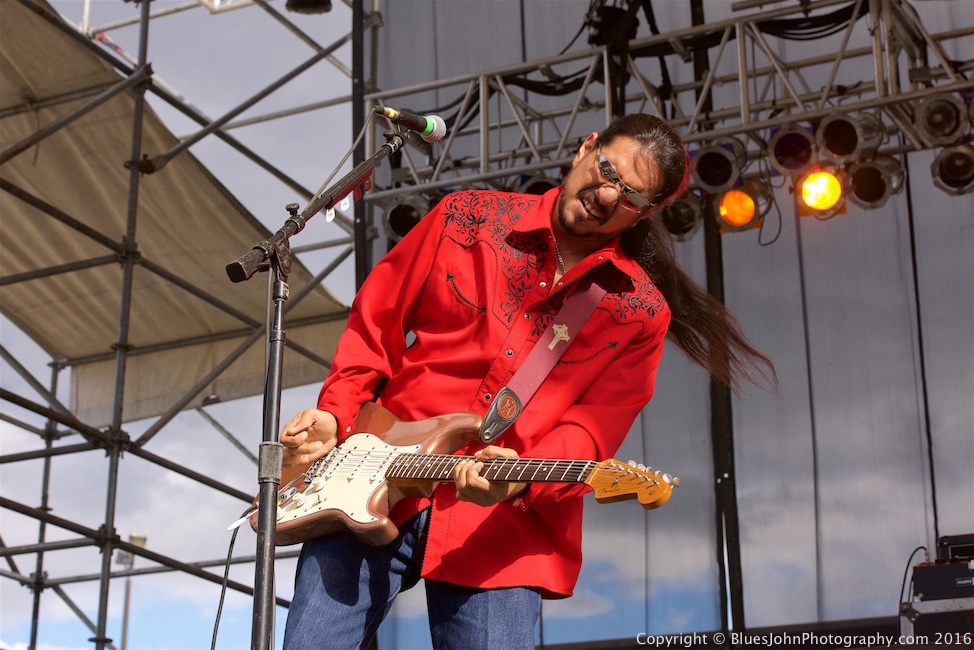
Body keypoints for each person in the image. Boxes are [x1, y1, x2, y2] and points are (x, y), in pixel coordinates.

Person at [278, 113, 774, 649]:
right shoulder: (466, 217)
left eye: (631, 197)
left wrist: (520, 479)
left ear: (648, 212)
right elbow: (376, 323)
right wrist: (335, 413)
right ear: (586, 146)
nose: (608, 195)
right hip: (367, 476)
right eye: (608, 171)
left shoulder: (639, 312)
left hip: (502, 530)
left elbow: (592, 431)